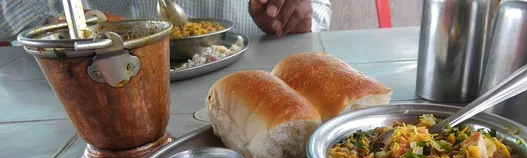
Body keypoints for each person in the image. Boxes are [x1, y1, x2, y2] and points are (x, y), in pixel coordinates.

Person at [0, 0, 331, 42]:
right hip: (108, 74)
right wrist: (69, 20)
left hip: (257, 65)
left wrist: (295, 21)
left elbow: (315, 11)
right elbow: (25, 15)